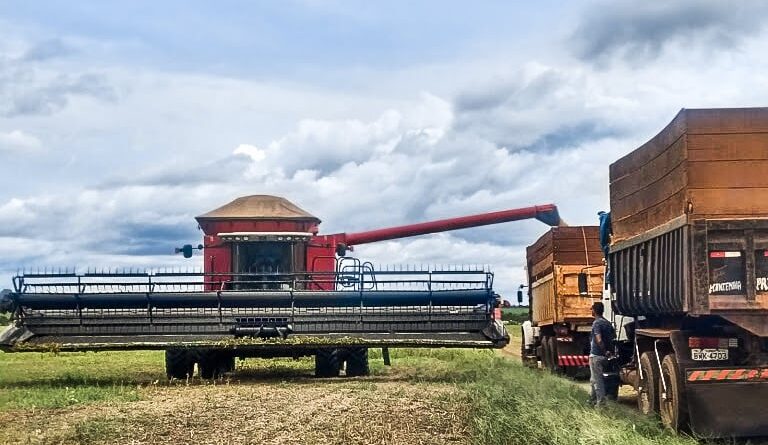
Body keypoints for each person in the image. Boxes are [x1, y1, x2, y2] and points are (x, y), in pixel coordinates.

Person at [588, 301, 615, 407]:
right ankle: (591, 401)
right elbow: (613, 337)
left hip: (596, 356)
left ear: (594, 311)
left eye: (592, 309)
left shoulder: (596, 323)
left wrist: (604, 350)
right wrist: (608, 352)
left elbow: (598, 340)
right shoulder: (607, 323)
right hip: (604, 357)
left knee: (598, 381)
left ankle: (601, 405)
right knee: (594, 380)